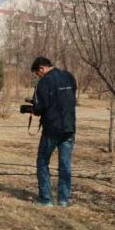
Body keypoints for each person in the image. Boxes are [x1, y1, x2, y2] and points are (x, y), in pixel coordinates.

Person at [31, 57, 78, 207]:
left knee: (43, 161)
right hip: (69, 128)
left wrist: (33, 108)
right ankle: (63, 199)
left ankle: (46, 199)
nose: (38, 76)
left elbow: (39, 108)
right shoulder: (69, 76)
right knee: (65, 164)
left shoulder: (44, 82)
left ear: (41, 69)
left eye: (37, 73)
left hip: (52, 129)